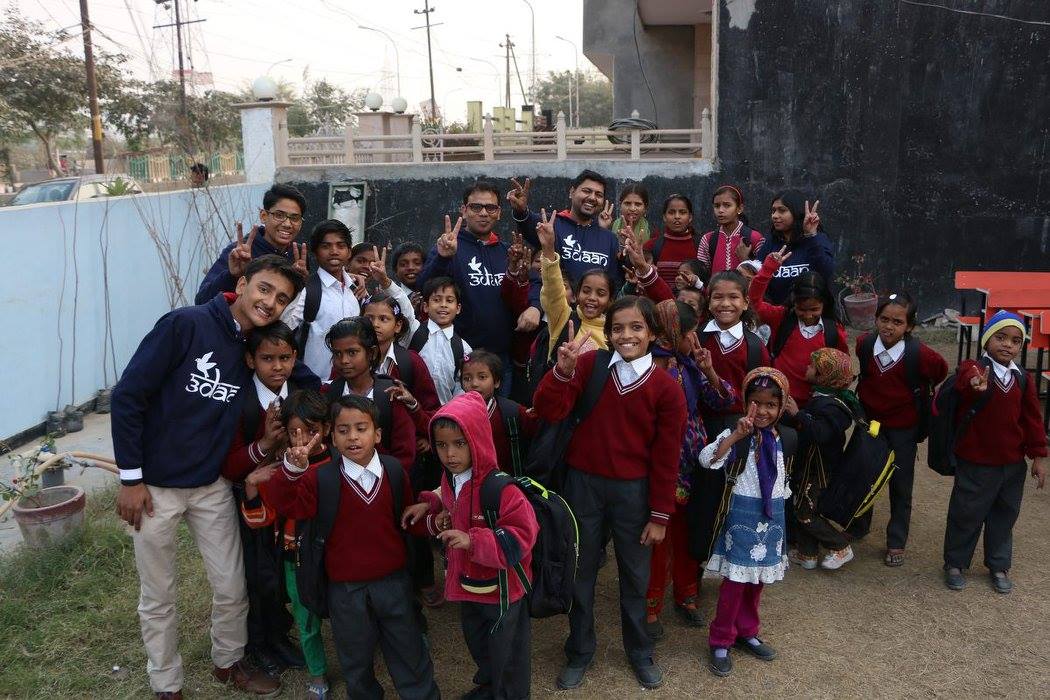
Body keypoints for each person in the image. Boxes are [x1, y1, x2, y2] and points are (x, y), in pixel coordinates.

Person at [112, 254, 305, 698]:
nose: (269, 302)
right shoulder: (185, 324)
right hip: (155, 488)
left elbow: (298, 375)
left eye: (281, 299)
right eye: (264, 289)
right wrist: (130, 479)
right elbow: (128, 397)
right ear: (243, 281)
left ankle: (228, 662)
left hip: (211, 486)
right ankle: (166, 683)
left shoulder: (252, 348)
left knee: (231, 587)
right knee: (159, 595)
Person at [532, 296, 688, 691]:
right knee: (580, 571)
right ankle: (580, 649)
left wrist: (659, 515)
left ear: (652, 333)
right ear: (608, 332)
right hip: (582, 485)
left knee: (635, 575)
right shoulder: (589, 365)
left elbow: (667, 456)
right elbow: (549, 410)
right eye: (618, 327)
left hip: (633, 494)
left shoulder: (666, 388)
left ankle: (639, 652)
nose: (626, 335)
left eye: (636, 327)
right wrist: (560, 373)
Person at [265, 395, 440, 699]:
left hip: (393, 583)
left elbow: (406, 520)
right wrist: (292, 470)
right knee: (356, 660)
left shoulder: (394, 471)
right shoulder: (320, 479)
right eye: (343, 430)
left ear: (378, 434)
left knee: (408, 651)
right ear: (332, 436)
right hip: (345, 590)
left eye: (361, 428)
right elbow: (285, 503)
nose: (353, 437)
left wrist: (432, 519)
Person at [402, 391, 540, 699]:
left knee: (509, 657)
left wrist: (472, 539)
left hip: (502, 592)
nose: (449, 454)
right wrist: (431, 502)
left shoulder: (501, 489)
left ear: (476, 439)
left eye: (459, 444)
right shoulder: (451, 477)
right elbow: (451, 496)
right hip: (469, 585)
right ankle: (490, 688)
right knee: (479, 643)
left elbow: (523, 536)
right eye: (441, 445)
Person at [219, 322, 309, 677]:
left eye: (284, 358)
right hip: (252, 501)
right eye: (267, 358)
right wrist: (265, 445)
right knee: (257, 575)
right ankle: (258, 643)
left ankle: (279, 634)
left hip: (288, 500)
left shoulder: (300, 393)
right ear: (250, 359)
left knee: (282, 569)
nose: (277, 366)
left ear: (295, 358)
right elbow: (230, 463)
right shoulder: (238, 401)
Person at [645, 300, 735, 640]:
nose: (696, 338)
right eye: (691, 332)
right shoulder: (650, 367)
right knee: (658, 538)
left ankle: (686, 595)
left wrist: (708, 369)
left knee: (688, 532)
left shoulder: (688, 364)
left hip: (695, 464)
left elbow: (725, 400)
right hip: (663, 466)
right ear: (673, 334)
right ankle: (650, 608)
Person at [943, 311, 1048, 594]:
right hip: (976, 462)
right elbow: (966, 379)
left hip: (1012, 465)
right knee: (966, 513)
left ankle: (999, 565)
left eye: (1016, 341)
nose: (1008, 345)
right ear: (987, 339)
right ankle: (955, 562)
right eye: (1000, 337)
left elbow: (1032, 420)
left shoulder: (1022, 378)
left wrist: (1038, 455)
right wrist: (976, 385)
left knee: (1004, 516)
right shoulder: (973, 368)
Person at [700, 368, 794, 677]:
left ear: (782, 406)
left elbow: (784, 481)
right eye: (756, 403)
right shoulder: (736, 433)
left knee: (758, 582)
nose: (763, 411)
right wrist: (736, 436)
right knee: (735, 583)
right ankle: (721, 639)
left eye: (771, 405)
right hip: (741, 515)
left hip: (772, 518)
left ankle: (746, 631)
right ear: (745, 402)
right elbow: (708, 459)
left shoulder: (786, 439)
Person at [241, 389, 333, 699]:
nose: (302, 439)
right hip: (295, 559)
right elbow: (260, 520)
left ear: (328, 429)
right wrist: (252, 485)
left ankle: (356, 659)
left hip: (335, 558)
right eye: (295, 432)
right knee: (306, 619)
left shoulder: (339, 465)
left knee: (345, 613)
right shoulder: (280, 473)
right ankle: (318, 672)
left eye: (311, 431)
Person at [855, 292, 948, 566]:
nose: (889, 326)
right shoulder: (864, 344)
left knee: (900, 484)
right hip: (870, 423)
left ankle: (896, 541)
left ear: (909, 327)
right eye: (884, 319)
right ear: (875, 319)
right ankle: (857, 526)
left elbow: (940, 370)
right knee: (863, 475)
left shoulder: (920, 355)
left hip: (903, 429)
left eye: (897, 322)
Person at [415, 183, 529, 392]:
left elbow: (524, 295)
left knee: (497, 420)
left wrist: (532, 301)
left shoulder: (508, 251)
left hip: (500, 359)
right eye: (476, 207)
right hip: (459, 356)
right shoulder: (449, 246)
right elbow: (424, 287)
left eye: (491, 208)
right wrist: (443, 257)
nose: (484, 213)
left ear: (499, 213)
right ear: (464, 210)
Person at [784, 348, 861, 571]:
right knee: (802, 502)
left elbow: (820, 434)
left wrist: (798, 414)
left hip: (818, 469)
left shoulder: (832, 406)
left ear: (824, 375)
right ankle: (807, 553)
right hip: (808, 466)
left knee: (805, 511)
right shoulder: (823, 397)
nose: (806, 368)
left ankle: (840, 545)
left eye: (812, 367)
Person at [748, 246, 848, 406]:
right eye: (802, 309)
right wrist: (768, 269)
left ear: (825, 304)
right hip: (780, 401)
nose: (808, 315)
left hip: (815, 407)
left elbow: (841, 370)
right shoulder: (782, 317)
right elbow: (754, 303)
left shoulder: (834, 331)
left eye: (814, 309)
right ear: (793, 303)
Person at [323, 317, 416, 468]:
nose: (344, 360)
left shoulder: (390, 394)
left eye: (352, 352)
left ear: (371, 353)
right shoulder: (329, 394)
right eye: (337, 354)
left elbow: (405, 453)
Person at [195, 184, 309, 304]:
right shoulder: (240, 253)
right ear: (263, 216)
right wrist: (232, 275)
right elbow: (202, 300)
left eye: (294, 218)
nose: (287, 224)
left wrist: (301, 282)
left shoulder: (298, 255)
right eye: (279, 215)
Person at [509, 170, 623, 289]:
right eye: (587, 191)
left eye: (599, 195)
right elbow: (527, 223)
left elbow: (614, 283)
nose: (592, 198)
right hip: (554, 304)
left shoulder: (609, 239)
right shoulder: (551, 223)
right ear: (572, 192)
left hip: (593, 307)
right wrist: (521, 211)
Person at [280, 220, 361, 379]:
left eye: (340, 246)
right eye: (326, 246)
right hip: (314, 386)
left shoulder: (355, 292)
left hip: (348, 387)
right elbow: (283, 331)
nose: (334, 251)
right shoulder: (308, 291)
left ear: (349, 252)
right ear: (315, 253)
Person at [699, 270, 770, 434]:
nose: (725, 303)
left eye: (733, 297)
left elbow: (763, 390)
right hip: (702, 423)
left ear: (745, 303)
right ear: (709, 302)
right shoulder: (697, 339)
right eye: (718, 297)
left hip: (740, 425)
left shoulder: (755, 347)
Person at [460, 350, 540, 476]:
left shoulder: (512, 412)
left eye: (482, 377)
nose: (474, 384)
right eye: (467, 378)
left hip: (504, 484)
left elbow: (541, 429)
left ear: (496, 382)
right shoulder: (456, 414)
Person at [754, 191, 834, 305]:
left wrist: (810, 236)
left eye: (782, 210)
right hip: (777, 316)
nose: (775, 216)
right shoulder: (770, 242)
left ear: (797, 212)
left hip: (810, 315)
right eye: (773, 211)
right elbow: (757, 278)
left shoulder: (817, 239)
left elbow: (827, 272)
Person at [409, 276, 473, 405]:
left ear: (458, 308)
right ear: (426, 306)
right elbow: (405, 308)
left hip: (444, 413)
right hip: (411, 407)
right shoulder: (414, 332)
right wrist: (385, 282)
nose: (443, 305)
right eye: (437, 300)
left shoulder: (463, 348)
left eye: (449, 300)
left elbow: (461, 385)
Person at [698, 185, 764, 276]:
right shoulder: (708, 240)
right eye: (717, 206)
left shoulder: (755, 237)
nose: (720, 210)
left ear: (739, 208)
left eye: (727, 205)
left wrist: (745, 259)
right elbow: (702, 276)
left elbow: (763, 276)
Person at [644, 194, 701, 287]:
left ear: (690, 217)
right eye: (671, 212)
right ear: (664, 217)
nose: (677, 216)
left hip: (689, 300)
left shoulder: (701, 245)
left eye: (682, 212)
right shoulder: (651, 246)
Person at [391, 242, 427, 321]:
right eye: (403, 264)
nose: (410, 267)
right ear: (395, 270)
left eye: (417, 263)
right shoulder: (390, 298)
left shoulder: (433, 295)